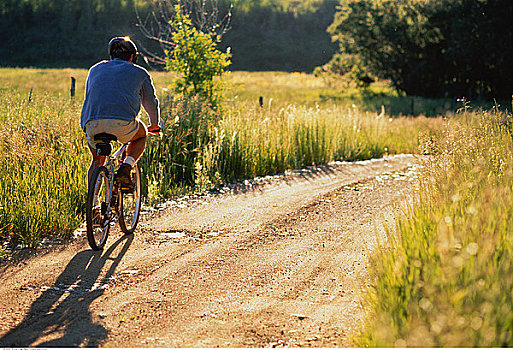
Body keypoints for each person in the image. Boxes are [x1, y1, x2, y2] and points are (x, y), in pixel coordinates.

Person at [80, 36, 162, 189]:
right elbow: (150, 102)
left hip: (92, 124)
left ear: (111, 56)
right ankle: (126, 167)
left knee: (97, 161)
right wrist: (154, 124)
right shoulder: (140, 73)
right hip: (122, 124)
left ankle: (94, 204)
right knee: (141, 134)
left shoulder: (95, 69)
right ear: (132, 57)